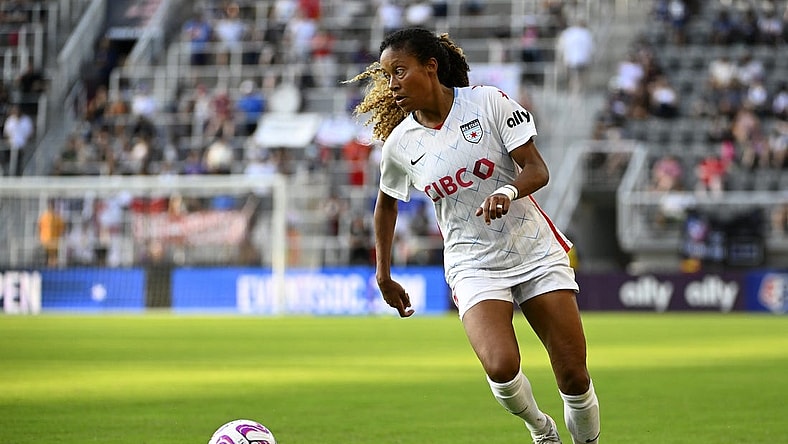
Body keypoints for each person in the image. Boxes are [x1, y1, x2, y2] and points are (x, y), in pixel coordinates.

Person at [347, 28, 600, 444]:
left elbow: (537, 169)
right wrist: (383, 273)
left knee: (573, 374)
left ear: (431, 67)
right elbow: (387, 204)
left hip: (532, 248)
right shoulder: (400, 144)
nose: (392, 85)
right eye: (386, 75)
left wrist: (506, 190)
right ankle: (541, 429)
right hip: (472, 262)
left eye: (399, 72)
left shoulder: (488, 103)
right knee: (500, 365)